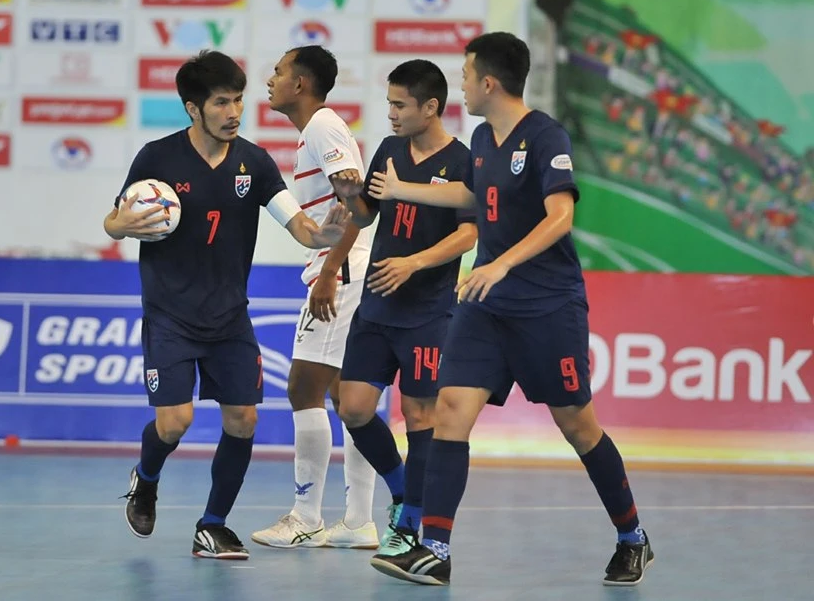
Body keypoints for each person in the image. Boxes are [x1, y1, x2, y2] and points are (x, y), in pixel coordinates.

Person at [364, 32, 653, 586]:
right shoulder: (481, 137)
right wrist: (404, 189)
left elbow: (560, 217)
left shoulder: (546, 136)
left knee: (578, 427)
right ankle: (436, 550)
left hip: (546, 306)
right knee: (451, 409)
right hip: (485, 306)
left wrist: (500, 264)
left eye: (467, 76)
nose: (463, 86)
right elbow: (473, 196)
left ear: (490, 83)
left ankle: (632, 537)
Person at [104, 50, 350, 560]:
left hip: (230, 318)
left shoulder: (253, 163)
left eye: (238, 100)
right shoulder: (157, 158)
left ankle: (212, 525)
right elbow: (114, 219)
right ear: (193, 109)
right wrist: (119, 225)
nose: (233, 111)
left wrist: (324, 234)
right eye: (221, 103)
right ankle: (146, 478)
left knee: (243, 420)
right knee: (174, 423)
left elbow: (300, 226)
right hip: (170, 316)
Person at [331, 59, 477, 557]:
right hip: (376, 305)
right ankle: (399, 489)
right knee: (352, 407)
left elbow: (469, 234)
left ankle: (411, 522)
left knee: (419, 416)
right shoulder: (390, 150)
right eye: (389, 104)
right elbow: (368, 213)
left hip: (428, 312)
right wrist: (349, 197)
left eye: (399, 105)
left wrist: (414, 263)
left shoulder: (462, 162)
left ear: (430, 107)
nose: (391, 114)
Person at [250, 45, 379, 549]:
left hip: (340, 274)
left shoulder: (324, 126)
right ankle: (359, 522)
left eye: (278, 71)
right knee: (348, 398)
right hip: (348, 269)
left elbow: (358, 204)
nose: (271, 80)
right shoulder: (317, 131)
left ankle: (305, 517)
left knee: (303, 388)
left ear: (300, 84)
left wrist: (328, 271)